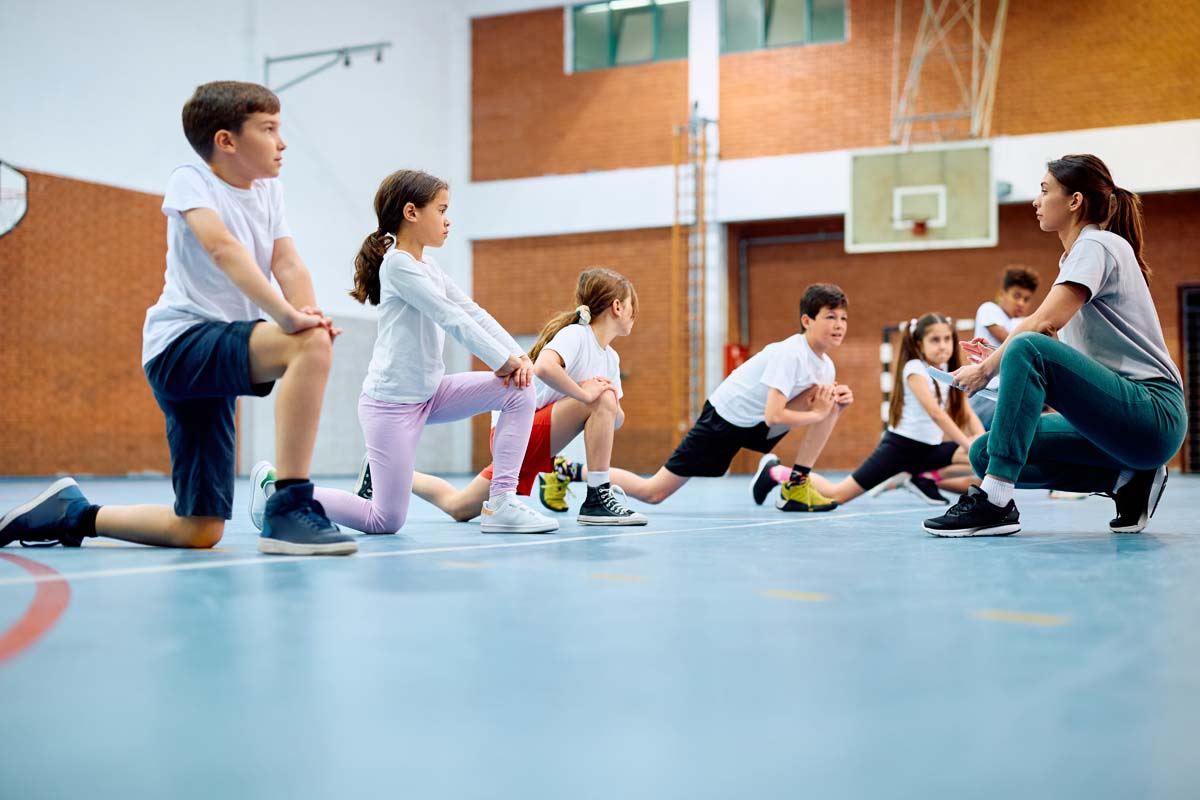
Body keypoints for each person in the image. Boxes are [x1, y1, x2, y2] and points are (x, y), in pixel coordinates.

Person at [0, 81, 355, 556]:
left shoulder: (270, 192)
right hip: (180, 346)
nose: (282, 141)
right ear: (226, 141)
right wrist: (288, 320)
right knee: (307, 345)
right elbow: (221, 248)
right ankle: (290, 507)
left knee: (199, 529)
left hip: (217, 353)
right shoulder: (192, 180)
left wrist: (307, 313)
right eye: (268, 129)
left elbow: (287, 262)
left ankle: (70, 514)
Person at [251, 169, 557, 536]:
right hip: (391, 406)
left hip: (432, 394)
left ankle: (503, 502)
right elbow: (450, 317)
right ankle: (278, 491)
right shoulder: (397, 265)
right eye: (441, 210)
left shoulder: (429, 266)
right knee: (385, 520)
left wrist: (519, 355)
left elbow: (471, 310)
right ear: (411, 212)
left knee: (518, 390)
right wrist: (503, 361)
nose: (448, 220)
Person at [924, 154, 1187, 537]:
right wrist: (1003, 363)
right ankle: (1127, 479)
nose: (1036, 201)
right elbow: (1064, 359)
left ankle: (995, 502)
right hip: (1120, 429)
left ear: (1075, 200)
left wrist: (987, 368)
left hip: (1152, 414)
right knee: (984, 452)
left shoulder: (1097, 244)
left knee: (1026, 346)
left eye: (1045, 191)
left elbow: (1041, 326)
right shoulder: (1080, 256)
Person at [379, 268, 648, 526]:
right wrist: (586, 393)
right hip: (516, 430)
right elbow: (544, 367)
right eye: (632, 306)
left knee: (458, 507)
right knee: (598, 399)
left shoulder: (610, 358)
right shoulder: (577, 335)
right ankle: (596, 499)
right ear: (617, 306)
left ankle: (386, 471)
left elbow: (613, 419)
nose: (635, 314)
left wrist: (608, 395)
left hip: (536, 439)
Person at [592, 283, 852, 511]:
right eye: (831, 317)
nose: (839, 325)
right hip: (725, 419)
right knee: (653, 492)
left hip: (756, 423)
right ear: (807, 321)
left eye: (843, 318)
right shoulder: (790, 353)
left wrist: (828, 405)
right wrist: (817, 413)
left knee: (832, 400)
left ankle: (795, 485)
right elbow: (774, 416)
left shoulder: (826, 366)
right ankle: (570, 471)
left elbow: (780, 415)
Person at [762, 313, 983, 507]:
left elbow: (967, 413)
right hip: (900, 449)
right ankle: (775, 471)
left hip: (930, 451)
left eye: (947, 339)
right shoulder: (915, 369)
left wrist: (983, 442)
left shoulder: (949, 371)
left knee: (986, 462)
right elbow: (936, 414)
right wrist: (968, 445)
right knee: (837, 495)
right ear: (918, 343)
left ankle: (921, 477)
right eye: (935, 340)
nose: (943, 345)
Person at [970, 265, 1040, 429]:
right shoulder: (989, 309)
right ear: (1002, 294)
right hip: (984, 390)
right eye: (1016, 296)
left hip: (1005, 391)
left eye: (1026, 299)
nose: (1021, 303)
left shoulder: (1020, 323)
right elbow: (1011, 341)